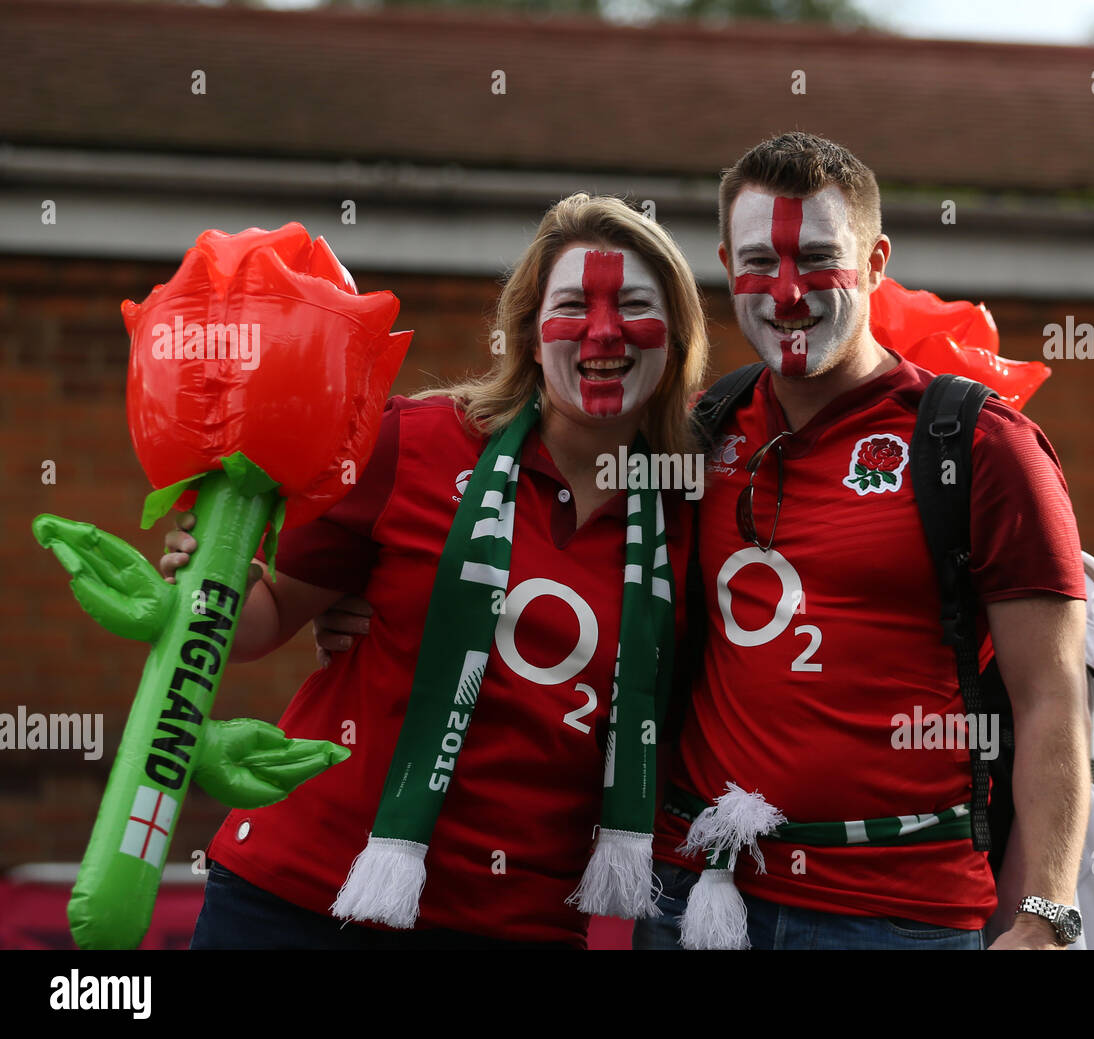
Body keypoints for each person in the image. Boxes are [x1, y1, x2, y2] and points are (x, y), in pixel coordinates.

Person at [161, 193, 709, 949]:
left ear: (678, 337)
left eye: (636, 307)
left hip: (512, 919)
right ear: (526, 328)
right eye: (574, 304)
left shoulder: (695, 510)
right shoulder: (416, 442)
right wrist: (203, 581)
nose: (603, 330)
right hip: (304, 893)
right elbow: (264, 618)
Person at [633, 131, 1091, 950]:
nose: (785, 292)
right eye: (757, 263)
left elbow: (1052, 700)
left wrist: (1048, 917)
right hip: (696, 899)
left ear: (877, 262)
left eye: (817, 259)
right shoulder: (698, 433)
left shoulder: (982, 446)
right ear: (721, 265)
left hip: (897, 917)